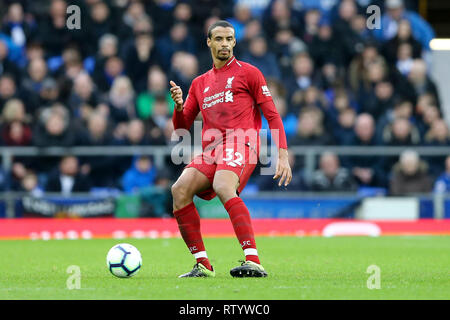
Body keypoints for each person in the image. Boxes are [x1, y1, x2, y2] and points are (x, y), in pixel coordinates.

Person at [169, 20, 291, 278]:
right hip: (212, 148)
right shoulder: (200, 83)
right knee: (179, 190)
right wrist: (179, 106)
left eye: (229, 39)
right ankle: (203, 264)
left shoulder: (249, 73)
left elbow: (272, 114)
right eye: (219, 39)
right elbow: (182, 126)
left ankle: (253, 260)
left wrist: (282, 154)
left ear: (234, 42)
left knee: (223, 185)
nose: (225, 44)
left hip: (242, 141)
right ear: (209, 42)